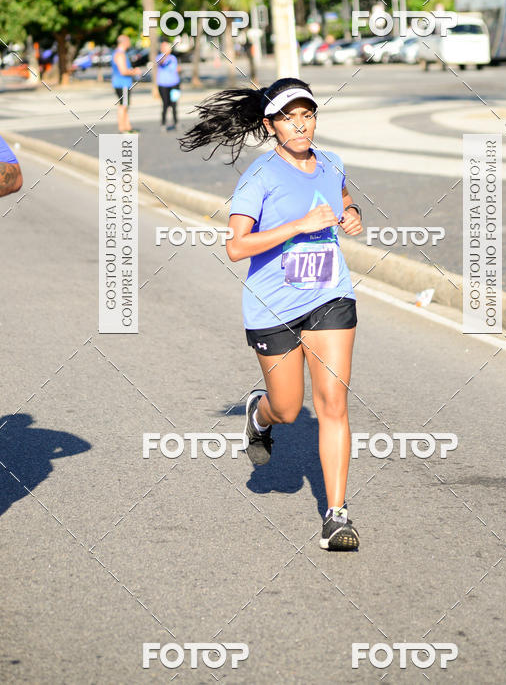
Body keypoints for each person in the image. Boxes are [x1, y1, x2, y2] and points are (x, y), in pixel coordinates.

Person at [180, 78, 364, 551]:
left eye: (307, 114)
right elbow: (236, 247)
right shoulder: (258, 178)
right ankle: (259, 417)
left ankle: (336, 516)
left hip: (330, 296)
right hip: (273, 306)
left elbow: (341, 200)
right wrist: (297, 227)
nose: (300, 124)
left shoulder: (332, 162)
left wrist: (351, 214)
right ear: (270, 126)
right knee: (287, 407)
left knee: (333, 405)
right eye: (288, 117)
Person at [111, 35, 141, 133]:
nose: (129, 43)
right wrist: (135, 71)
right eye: (128, 41)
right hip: (122, 83)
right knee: (123, 106)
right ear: (124, 42)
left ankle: (127, 127)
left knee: (125, 105)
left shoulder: (120, 53)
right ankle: (122, 128)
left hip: (122, 83)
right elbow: (123, 71)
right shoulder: (120, 54)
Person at [156, 39, 181, 130]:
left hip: (175, 84)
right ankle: (163, 123)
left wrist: (179, 70)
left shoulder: (173, 58)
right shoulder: (159, 57)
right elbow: (161, 62)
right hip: (163, 85)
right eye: (165, 47)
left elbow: (176, 68)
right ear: (162, 48)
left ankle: (176, 122)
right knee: (165, 104)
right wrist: (166, 54)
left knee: (174, 104)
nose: (167, 48)